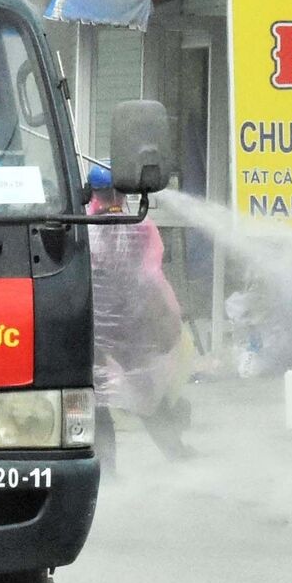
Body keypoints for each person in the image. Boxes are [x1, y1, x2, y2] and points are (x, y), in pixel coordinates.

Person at [86, 164, 195, 468]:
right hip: (129, 323)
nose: (111, 197)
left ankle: (108, 467)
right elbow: (152, 276)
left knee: (100, 396)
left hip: (102, 324)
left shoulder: (87, 226)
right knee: (134, 392)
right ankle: (173, 451)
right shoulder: (138, 224)